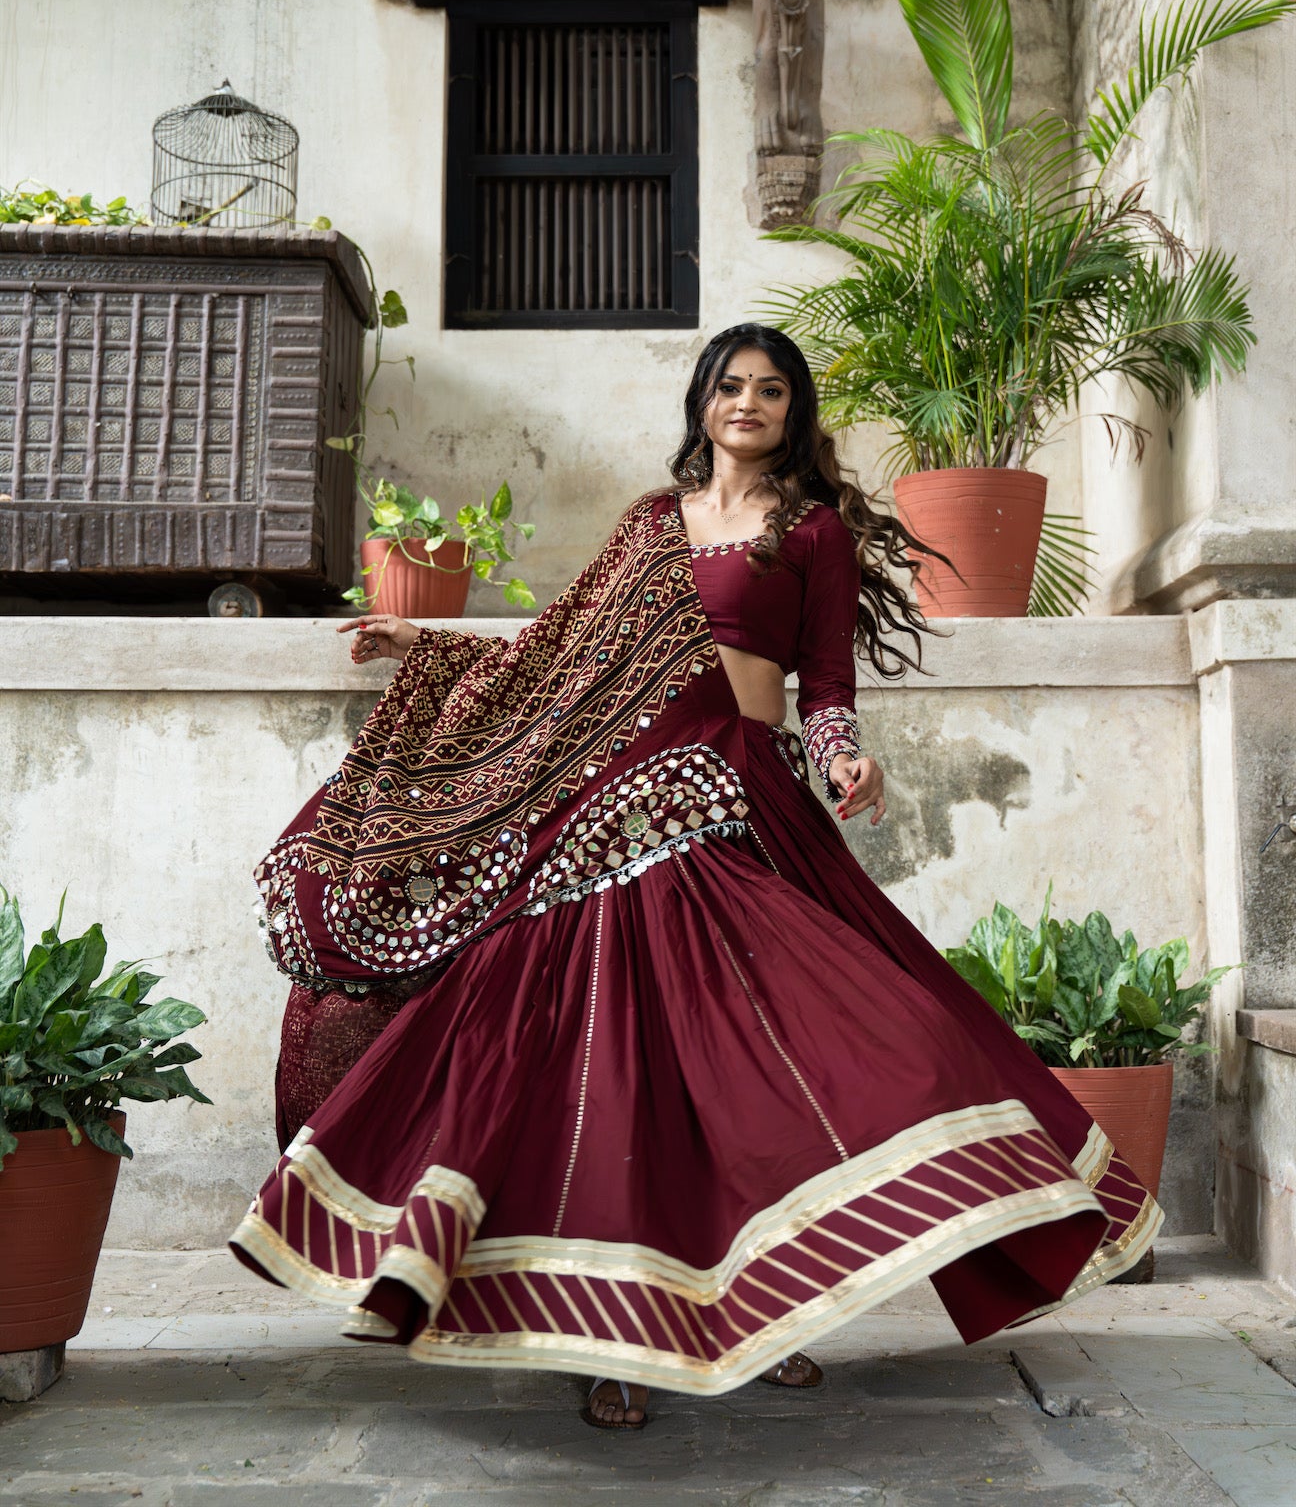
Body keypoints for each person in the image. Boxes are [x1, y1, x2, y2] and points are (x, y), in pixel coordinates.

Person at [231, 323, 1159, 1431]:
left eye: (771, 389)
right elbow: (561, 659)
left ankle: (764, 1311)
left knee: (789, 1062)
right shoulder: (648, 526)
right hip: (613, 813)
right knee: (598, 1071)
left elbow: (826, 687)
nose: (748, 403)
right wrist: (429, 648)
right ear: (703, 403)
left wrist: (844, 759)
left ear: (794, 412)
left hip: (742, 803)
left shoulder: (812, 533)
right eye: (730, 385)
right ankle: (606, 1341)